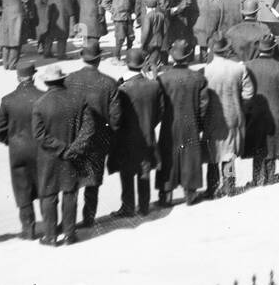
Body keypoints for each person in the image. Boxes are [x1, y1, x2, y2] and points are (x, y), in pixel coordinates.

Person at [32, 63, 92, 246]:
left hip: (49, 158)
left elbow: (39, 135)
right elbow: (89, 128)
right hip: (73, 157)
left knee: (49, 196)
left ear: (47, 83)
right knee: (70, 193)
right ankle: (69, 234)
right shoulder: (78, 100)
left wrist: (60, 148)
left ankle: (50, 236)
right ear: (62, 79)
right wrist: (73, 149)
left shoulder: (39, 104)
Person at [65, 38, 119, 227]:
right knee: (92, 182)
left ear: (82, 57)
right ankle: (88, 219)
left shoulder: (69, 80)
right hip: (98, 141)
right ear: (99, 59)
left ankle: (68, 223)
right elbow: (116, 118)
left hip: (73, 139)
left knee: (71, 184)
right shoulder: (109, 84)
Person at [109, 48, 165, 216]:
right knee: (144, 171)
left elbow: (115, 116)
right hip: (147, 135)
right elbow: (161, 111)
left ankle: (127, 207)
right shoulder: (154, 85)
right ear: (142, 64)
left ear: (127, 64)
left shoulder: (121, 88)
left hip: (126, 138)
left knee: (126, 173)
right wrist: (149, 124)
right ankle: (144, 206)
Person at [156, 39, 210, 206]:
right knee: (190, 157)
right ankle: (190, 194)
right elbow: (204, 105)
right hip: (191, 122)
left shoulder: (163, 78)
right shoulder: (198, 78)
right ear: (188, 57)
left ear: (173, 57)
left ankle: (166, 195)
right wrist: (200, 124)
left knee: (168, 156)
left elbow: (159, 105)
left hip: (169, 124)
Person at [0, 62, 42, 240]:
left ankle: (28, 231)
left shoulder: (7, 100)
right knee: (44, 186)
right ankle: (50, 225)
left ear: (18, 78)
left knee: (23, 189)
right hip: (41, 149)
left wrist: (10, 141)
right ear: (33, 76)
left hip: (18, 150)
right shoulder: (43, 96)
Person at [203, 35, 255, 197]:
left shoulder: (205, 71)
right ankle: (229, 186)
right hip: (233, 116)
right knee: (229, 153)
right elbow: (248, 94)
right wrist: (241, 109)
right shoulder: (239, 68)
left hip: (211, 118)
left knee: (213, 153)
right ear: (226, 50)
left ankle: (212, 188)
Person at [245, 32, 279, 185]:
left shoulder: (249, 66)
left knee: (257, 146)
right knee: (271, 147)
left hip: (254, 113)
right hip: (275, 112)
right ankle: (270, 177)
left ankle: (257, 178)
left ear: (259, 49)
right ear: (273, 49)